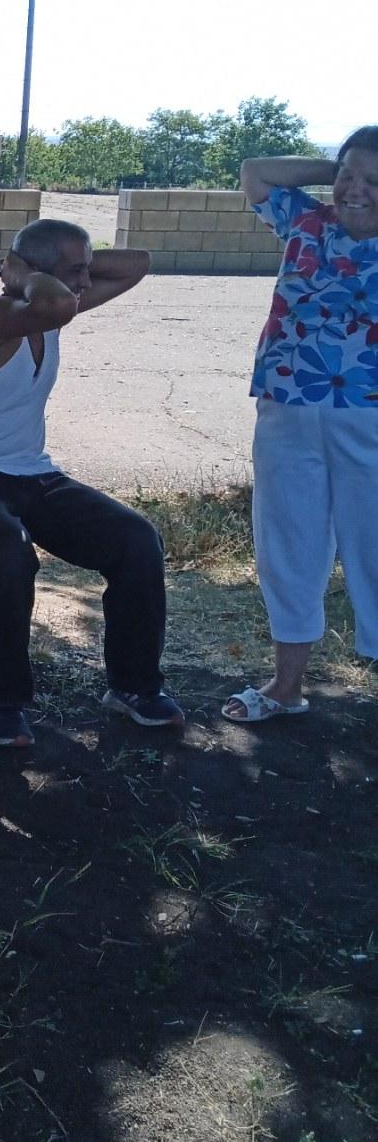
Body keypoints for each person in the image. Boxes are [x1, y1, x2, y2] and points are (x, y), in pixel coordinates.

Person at [0, 218, 183, 749]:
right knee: (10, 552)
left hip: (32, 473)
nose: (86, 283)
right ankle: (1, 703)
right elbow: (59, 301)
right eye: (76, 272)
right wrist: (27, 273)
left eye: (86, 271)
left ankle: (134, 687)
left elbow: (138, 265)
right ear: (39, 277)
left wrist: (61, 261)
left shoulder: (52, 308)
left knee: (137, 539)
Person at [222, 126, 378, 722]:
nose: (355, 189)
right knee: (288, 543)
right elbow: (255, 171)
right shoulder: (306, 222)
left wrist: (354, 174)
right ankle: (285, 688)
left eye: (373, 181)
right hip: (286, 404)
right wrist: (336, 171)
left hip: (369, 417)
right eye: (348, 175)